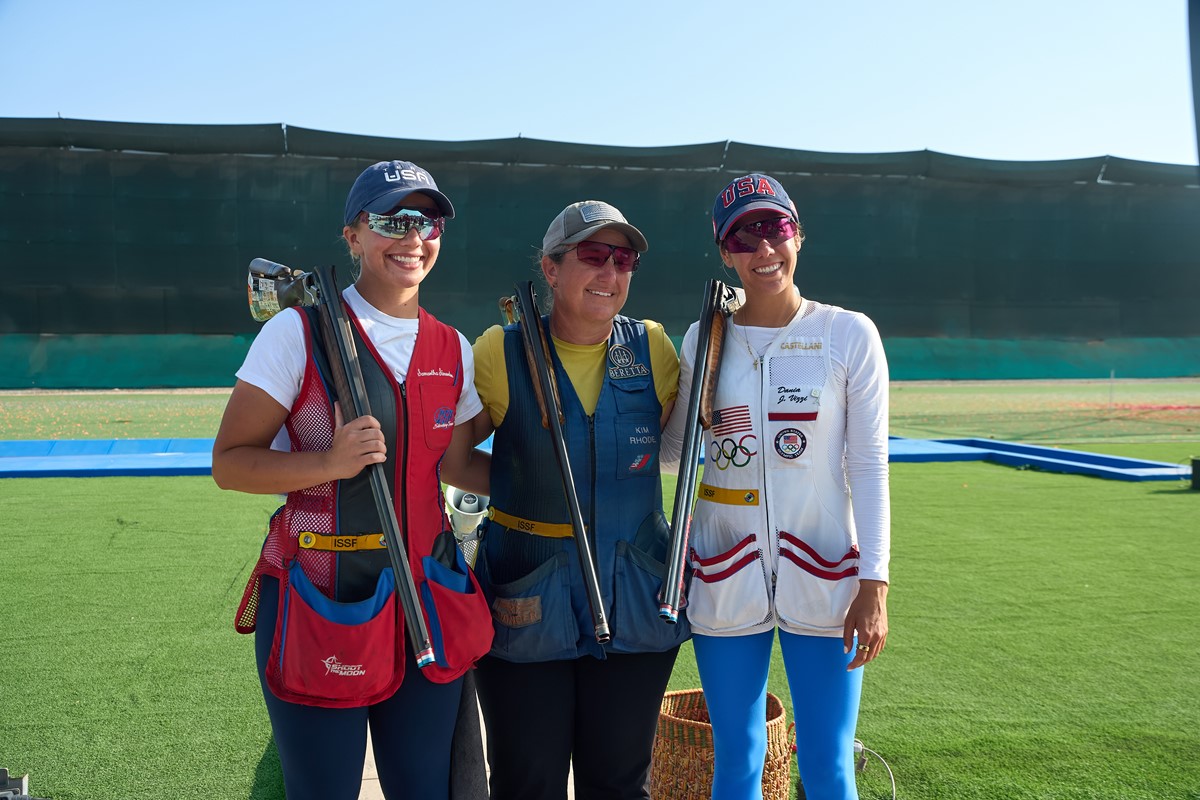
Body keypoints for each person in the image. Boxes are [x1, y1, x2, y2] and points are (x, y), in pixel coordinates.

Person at [212, 160, 493, 800]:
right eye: (392, 220)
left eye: (428, 221)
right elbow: (229, 462)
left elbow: (457, 466)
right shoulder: (298, 332)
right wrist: (326, 464)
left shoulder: (453, 347)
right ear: (354, 237)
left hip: (425, 596)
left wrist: (550, 489)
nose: (413, 237)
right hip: (320, 597)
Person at [661, 173, 891, 800]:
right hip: (725, 574)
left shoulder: (848, 334)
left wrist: (875, 583)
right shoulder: (703, 336)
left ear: (799, 236)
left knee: (828, 760)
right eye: (744, 236)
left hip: (825, 575)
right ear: (724, 252)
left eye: (776, 228)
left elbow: (869, 466)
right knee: (736, 755)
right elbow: (675, 454)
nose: (764, 249)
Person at [467, 200, 689, 800]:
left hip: (635, 602)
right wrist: (531, 491)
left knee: (618, 782)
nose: (610, 272)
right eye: (593, 255)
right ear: (550, 267)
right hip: (526, 598)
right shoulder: (497, 351)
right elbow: (454, 460)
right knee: (525, 781)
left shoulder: (654, 348)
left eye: (624, 259)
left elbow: (667, 453)